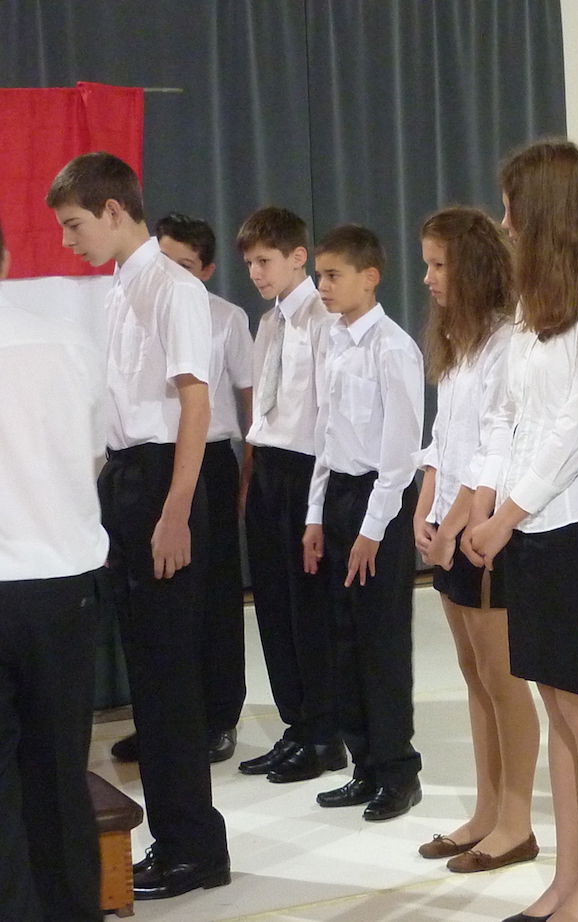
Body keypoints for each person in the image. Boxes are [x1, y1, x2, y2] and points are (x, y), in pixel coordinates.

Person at [47, 151, 230, 899]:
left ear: (115, 210)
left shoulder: (173, 288)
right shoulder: (123, 285)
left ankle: (194, 848)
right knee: (150, 680)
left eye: (75, 225)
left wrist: (175, 511)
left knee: (170, 678)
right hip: (129, 477)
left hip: (163, 481)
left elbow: (195, 403)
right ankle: (172, 837)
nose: (68, 241)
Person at [464, 138, 578, 922]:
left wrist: (508, 514)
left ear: (549, 213)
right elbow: (505, 413)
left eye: (512, 210)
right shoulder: (534, 306)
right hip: (526, 527)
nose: (504, 224)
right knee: (556, 708)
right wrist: (485, 502)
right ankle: (567, 878)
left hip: (577, 528)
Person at [412, 207, 540, 872]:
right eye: (428, 264)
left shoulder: (505, 340)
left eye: (439, 265)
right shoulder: (457, 341)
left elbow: (497, 443)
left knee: (502, 678)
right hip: (450, 523)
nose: (428, 278)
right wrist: (425, 506)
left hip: (483, 530)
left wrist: (458, 522)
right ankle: (486, 811)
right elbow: (443, 438)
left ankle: (516, 821)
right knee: (472, 674)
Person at [109, 212, 253, 766]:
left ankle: (219, 715)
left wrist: (247, 470)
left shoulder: (226, 317)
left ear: (207, 269)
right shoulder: (138, 297)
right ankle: (165, 724)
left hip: (208, 458)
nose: (171, 270)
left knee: (214, 596)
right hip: (157, 458)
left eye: (185, 264)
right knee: (161, 610)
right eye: (165, 258)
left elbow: (244, 398)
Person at [0, 213, 109, 921]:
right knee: (62, 766)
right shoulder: (69, 343)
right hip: (62, 583)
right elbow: (96, 453)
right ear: (7, 259)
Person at [303, 223, 425, 822]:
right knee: (343, 640)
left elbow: (400, 455)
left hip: (382, 503)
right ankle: (364, 764)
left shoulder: (393, 348)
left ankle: (399, 771)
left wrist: (371, 531)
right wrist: (314, 515)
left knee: (381, 642)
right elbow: (326, 436)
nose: (322, 286)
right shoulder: (332, 340)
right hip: (341, 498)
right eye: (319, 275)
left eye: (333, 275)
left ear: (370, 277)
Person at [236, 206, 345, 784]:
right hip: (269, 469)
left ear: (298, 257)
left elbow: (327, 417)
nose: (256, 272)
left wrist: (317, 506)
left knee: (309, 610)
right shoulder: (268, 322)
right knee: (273, 606)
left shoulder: (323, 319)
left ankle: (325, 733)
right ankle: (296, 725)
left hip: (307, 470)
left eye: (265, 260)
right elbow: (262, 410)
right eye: (250, 263)